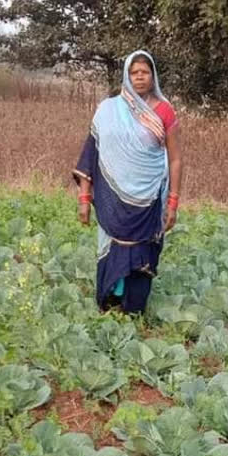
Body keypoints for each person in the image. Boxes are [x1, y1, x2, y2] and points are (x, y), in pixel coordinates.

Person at [73, 50, 183, 314]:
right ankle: (111, 301)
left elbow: (176, 160)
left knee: (143, 250)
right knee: (113, 246)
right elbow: (91, 154)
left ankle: (133, 308)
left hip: (150, 198)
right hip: (113, 200)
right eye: (134, 72)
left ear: (153, 76)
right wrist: (84, 199)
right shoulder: (108, 110)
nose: (140, 77)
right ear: (127, 75)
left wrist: (173, 201)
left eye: (145, 72)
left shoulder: (165, 112)